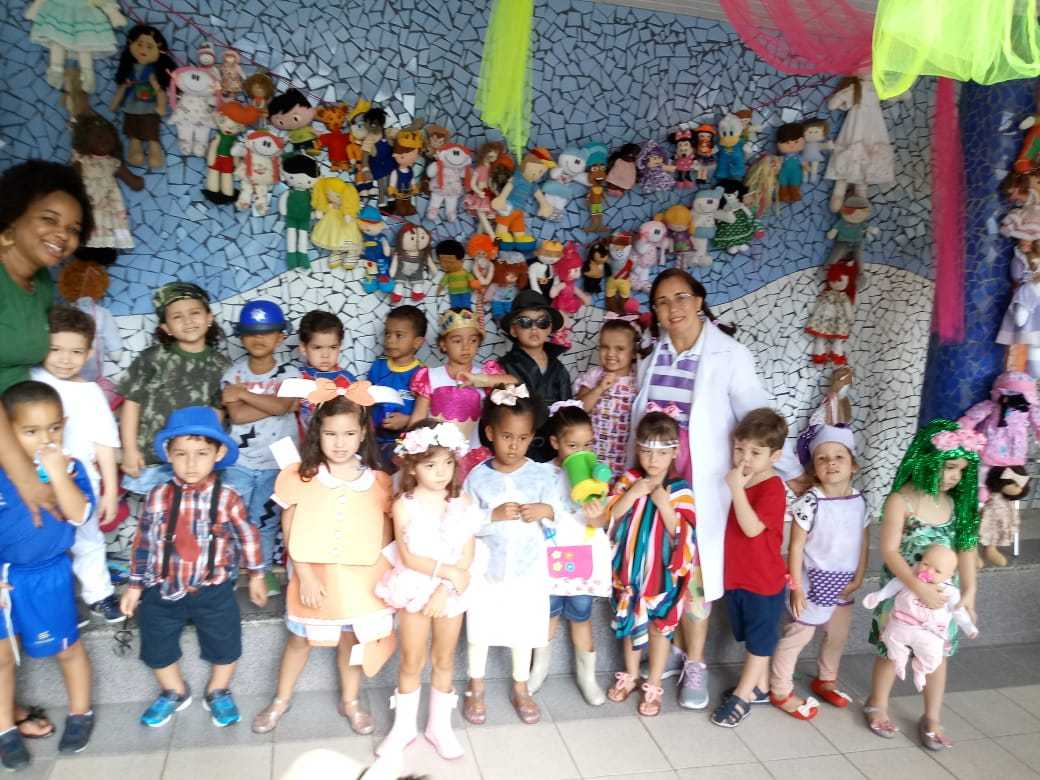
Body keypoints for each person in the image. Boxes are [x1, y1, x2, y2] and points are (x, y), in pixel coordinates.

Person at [631, 268, 799, 710]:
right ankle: (669, 651)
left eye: (681, 297)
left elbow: (756, 415)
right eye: (662, 301)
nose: (673, 308)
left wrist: (788, 469)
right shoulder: (650, 356)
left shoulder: (730, 354)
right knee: (662, 567)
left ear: (699, 300)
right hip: (660, 481)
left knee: (695, 576)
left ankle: (696, 663)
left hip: (702, 487)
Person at [0, 160, 93, 743]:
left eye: (74, 227)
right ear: (10, 220)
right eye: (49, 219)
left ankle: (7, 710)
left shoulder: (37, 288)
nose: (63, 234)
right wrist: (27, 478)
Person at [253, 391, 393, 736]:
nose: (340, 443)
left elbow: (384, 534)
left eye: (348, 433)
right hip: (314, 578)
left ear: (362, 433)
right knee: (300, 640)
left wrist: (386, 583)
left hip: (359, 583)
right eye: (331, 433)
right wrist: (305, 576)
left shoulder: (377, 481)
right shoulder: (304, 477)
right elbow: (291, 527)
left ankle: (351, 700)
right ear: (318, 433)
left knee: (352, 640)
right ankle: (281, 699)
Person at [120, 406, 267, 729]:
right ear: (168, 454)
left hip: (212, 589)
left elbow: (247, 536)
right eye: (181, 454)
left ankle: (218, 690)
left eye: (201, 454)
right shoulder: (157, 496)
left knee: (226, 642)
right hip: (162, 588)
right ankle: (173, 690)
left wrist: (256, 574)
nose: (191, 463)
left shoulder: (227, 497)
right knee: (155, 644)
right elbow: (144, 542)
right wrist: (134, 586)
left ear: (218, 454)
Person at [864, 419, 981, 751]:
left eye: (961, 471)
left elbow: (967, 548)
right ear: (927, 459)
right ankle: (877, 703)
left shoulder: (957, 504)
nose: (954, 477)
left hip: (942, 598)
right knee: (891, 648)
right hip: (902, 591)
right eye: (949, 467)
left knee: (937, 655)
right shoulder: (901, 500)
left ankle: (932, 716)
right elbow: (889, 551)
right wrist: (918, 588)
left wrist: (970, 591)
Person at [0, 381, 96, 768]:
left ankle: (80, 712)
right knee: (1, 657)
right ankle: (5, 729)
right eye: (31, 431)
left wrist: (58, 476)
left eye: (54, 428)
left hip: (48, 575)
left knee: (67, 648)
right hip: (4, 577)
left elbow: (79, 514)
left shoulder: (70, 467)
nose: (46, 439)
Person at [373, 420, 479, 766]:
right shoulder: (404, 504)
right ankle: (403, 728)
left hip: (451, 591)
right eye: (431, 465)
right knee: (411, 659)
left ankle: (439, 727)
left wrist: (445, 589)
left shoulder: (462, 501)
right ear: (412, 467)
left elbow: (466, 554)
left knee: (444, 659)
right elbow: (408, 557)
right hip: (414, 586)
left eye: (447, 463)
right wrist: (445, 576)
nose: (441, 472)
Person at [462, 387, 555, 726]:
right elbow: (464, 522)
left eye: (523, 438)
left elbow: (562, 513)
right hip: (488, 572)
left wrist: (547, 510)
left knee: (523, 630)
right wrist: (492, 516)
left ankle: (520, 686)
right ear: (490, 433)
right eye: (506, 437)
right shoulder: (477, 476)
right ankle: (476, 685)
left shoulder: (542, 474)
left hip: (528, 572)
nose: (514, 446)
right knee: (480, 629)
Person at [769, 425, 869, 721]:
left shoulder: (860, 500)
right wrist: (796, 587)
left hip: (844, 582)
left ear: (853, 465)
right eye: (822, 459)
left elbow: (863, 540)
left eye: (839, 457)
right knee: (797, 636)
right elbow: (796, 546)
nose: (831, 463)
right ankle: (780, 689)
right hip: (812, 582)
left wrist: (860, 574)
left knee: (837, 635)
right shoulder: (811, 502)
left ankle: (826, 679)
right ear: (814, 469)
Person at [31, 306, 123, 622]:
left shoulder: (91, 392)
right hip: (37, 480)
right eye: (55, 349)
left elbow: (105, 444)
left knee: (89, 540)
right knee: (44, 543)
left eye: (75, 352)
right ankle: (60, 604)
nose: (64, 359)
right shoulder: (31, 381)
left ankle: (99, 594)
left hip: (82, 482)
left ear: (89, 353)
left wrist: (110, 492)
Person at [606, 410, 696, 717]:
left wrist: (663, 504)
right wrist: (633, 494)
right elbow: (612, 516)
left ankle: (654, 683)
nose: (652, 460)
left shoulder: (680, 488)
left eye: (661, 453)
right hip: (629, 573)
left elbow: (683, 534)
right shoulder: (630, 479)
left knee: (660, 628)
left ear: (675, 452)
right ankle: (631, 674)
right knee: (629, 621)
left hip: (662, 577)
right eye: (645, 451)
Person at [527, 402, 611, 706]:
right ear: (555, 442)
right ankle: (538, 670)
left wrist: (597, 515)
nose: (581, 451)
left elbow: (602, 522)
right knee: (546, 616)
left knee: (581, 617)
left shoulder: (597, 478)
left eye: (588, 445)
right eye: (572, 445)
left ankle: (587, 677)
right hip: (549, 559)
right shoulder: (540, 473)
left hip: (583, 560)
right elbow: (532, 514)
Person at [118, 282, 229, 497]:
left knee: (190, 511)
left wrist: (210, 458)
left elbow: (217, 415)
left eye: (194, 313)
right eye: (177, 316)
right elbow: (131, 404)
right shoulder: (151, 359)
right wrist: (130, 450)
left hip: (195, 463)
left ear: (209, 317)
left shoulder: (221, 366)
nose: (188, 321)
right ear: (166, 327)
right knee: (155, 511)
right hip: (150, 459)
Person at [221, 300, 299, 594]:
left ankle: (262, 571)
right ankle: (227, 573)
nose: (259, 338)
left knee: (265, 521)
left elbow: (284, 406)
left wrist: (243, 394)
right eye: (251, 332)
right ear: (241, 337)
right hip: (239, 462)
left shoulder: (291, 373)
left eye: (267, 332)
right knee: (231, 520)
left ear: (280, 337)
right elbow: (237, 416)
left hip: (277, 464)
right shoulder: (233, 373)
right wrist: (274, 403)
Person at [409, 308, 516, 480]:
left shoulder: (485, 376)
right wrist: (409, 447)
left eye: (473, 340)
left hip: (473, 453)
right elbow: (418, 417)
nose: (466, 347)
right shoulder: (430, 376)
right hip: (437, 458)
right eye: (457, 341)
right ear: (443, 344)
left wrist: (479, 380)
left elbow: (515, 386)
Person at [497, 291, 572, 463]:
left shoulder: (559, 369)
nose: (534, 328)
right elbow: (500, 417)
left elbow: (568, 417)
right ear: (513, 330)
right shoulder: (503, 367)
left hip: (554, 454)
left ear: (550, 328)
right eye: (525, 322)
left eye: (542, 322)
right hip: (516, 452)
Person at [574, 318, 639, 477]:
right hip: (594, 451)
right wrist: (599, 388)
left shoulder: (638, 378)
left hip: (624, 452)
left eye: (619, 348)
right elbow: (579, 409)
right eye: (604, 347)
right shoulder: (594, 375)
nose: (610, 354)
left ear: (633, 353)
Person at [367, 305, 426, 470]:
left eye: (399, 335)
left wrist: (407, 420)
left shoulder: (422, 373)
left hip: (404, 445)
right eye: (387, 334)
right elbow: (366, 400)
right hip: (373, 440)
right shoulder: (378, 366)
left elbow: (427, 414)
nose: (390, 340)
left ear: (417, 342)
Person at [295, 310, 356, 433]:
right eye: (317, 347)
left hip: (338, 443)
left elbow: (360, 418)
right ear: (303, 348)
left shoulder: (348, 382)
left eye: (333, 347)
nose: (325, 355)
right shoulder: (296, 379)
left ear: (340, 346)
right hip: (303, 443)